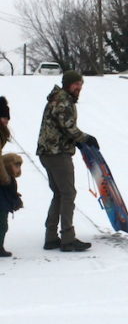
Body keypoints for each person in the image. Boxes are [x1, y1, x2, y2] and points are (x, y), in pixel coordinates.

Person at [37, 70, 98, 252]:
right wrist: (85, 138)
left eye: (81, 84)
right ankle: (68, 239)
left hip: (49, 152)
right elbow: (67, 126)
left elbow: (62, 127)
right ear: (68, 84)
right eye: (76, 84)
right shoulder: (63, 100)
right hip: (57, 153)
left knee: (59, 193)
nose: (79, 87)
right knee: (68, 193)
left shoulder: (59, 98)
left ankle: (51, 237)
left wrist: (77, 141)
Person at [0, 153, 24, 257]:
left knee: (3, 226)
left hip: (3, 206)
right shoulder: (5, 179)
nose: (18, 169)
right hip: (2, 207)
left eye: (19, 166)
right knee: (2, 226)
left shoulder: (9, 179)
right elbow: (7, 193)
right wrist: (15, 200)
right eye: (16, 166)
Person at [0, 96, 11, 186]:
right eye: (4, 117)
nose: (6, 121)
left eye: (7, 118)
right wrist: (5, 179)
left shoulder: (3, 131)